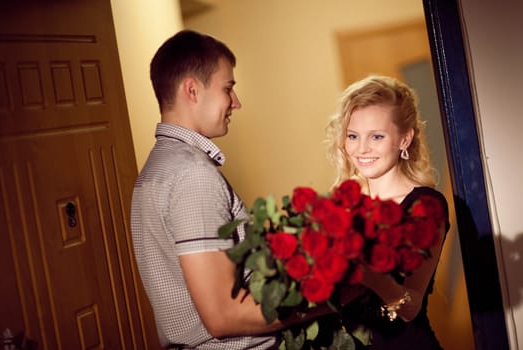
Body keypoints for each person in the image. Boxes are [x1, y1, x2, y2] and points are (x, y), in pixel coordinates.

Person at [130, 29, 360, 350]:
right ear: (192, 90)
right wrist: (334, 296)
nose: (236, 103)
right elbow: (224, 316)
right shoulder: (192, 176)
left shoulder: (157, 169)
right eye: (228, 89)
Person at [325, 75, 449, 349]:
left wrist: (369, 274)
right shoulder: (343, 205)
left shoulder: (426, 205)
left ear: (404, 139)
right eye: (353, 136)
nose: (361, 149)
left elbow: (410, 308)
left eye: (376, 136)